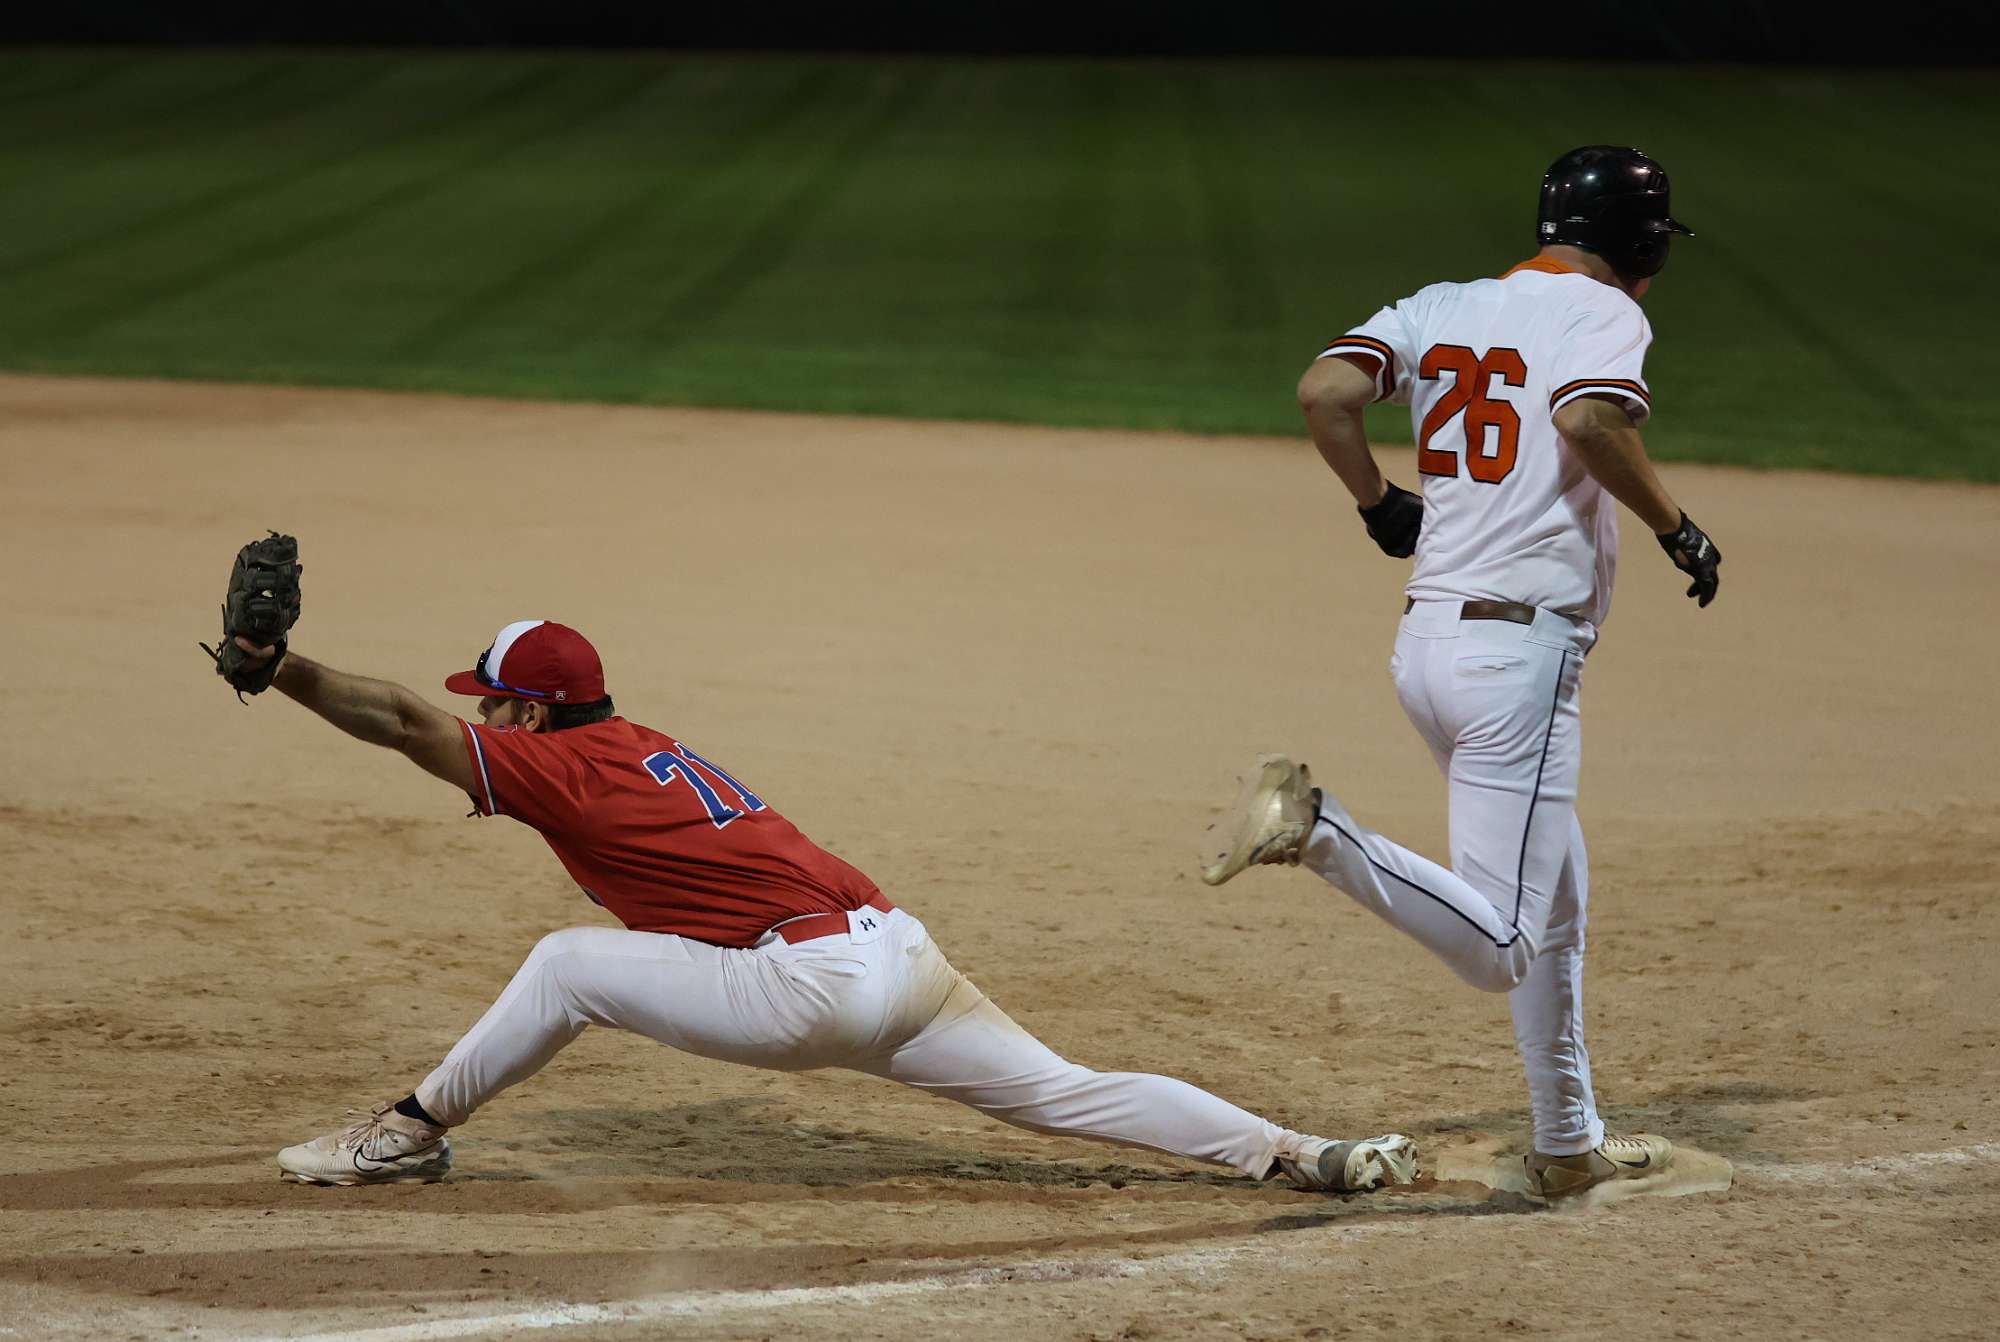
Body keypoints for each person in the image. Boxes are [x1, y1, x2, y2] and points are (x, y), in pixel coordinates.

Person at [224, 615, 1418, 1192]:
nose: (480, 720)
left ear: (529, 713)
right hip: (898, 953)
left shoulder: (554, 764)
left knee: (564, 964)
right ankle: (1298, 1151)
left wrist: (283, 669)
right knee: (1066, 1089)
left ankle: (405, 1131)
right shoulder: (638, 744)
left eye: (492, 703)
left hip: (810, 984)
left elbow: (401, 722)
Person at [1200, 146, 1721, 1200]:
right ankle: (1318, 831)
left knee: (1557, 899)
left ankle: (1567, 1140)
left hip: (1430, 648)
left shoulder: (1441, 304)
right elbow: (1588, 418)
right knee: (1503, 944)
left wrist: (1376, 503)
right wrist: (1677, 527)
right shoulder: (1603, 313)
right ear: (1640, 246)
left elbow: (1326, 391)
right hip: (1515, 664)